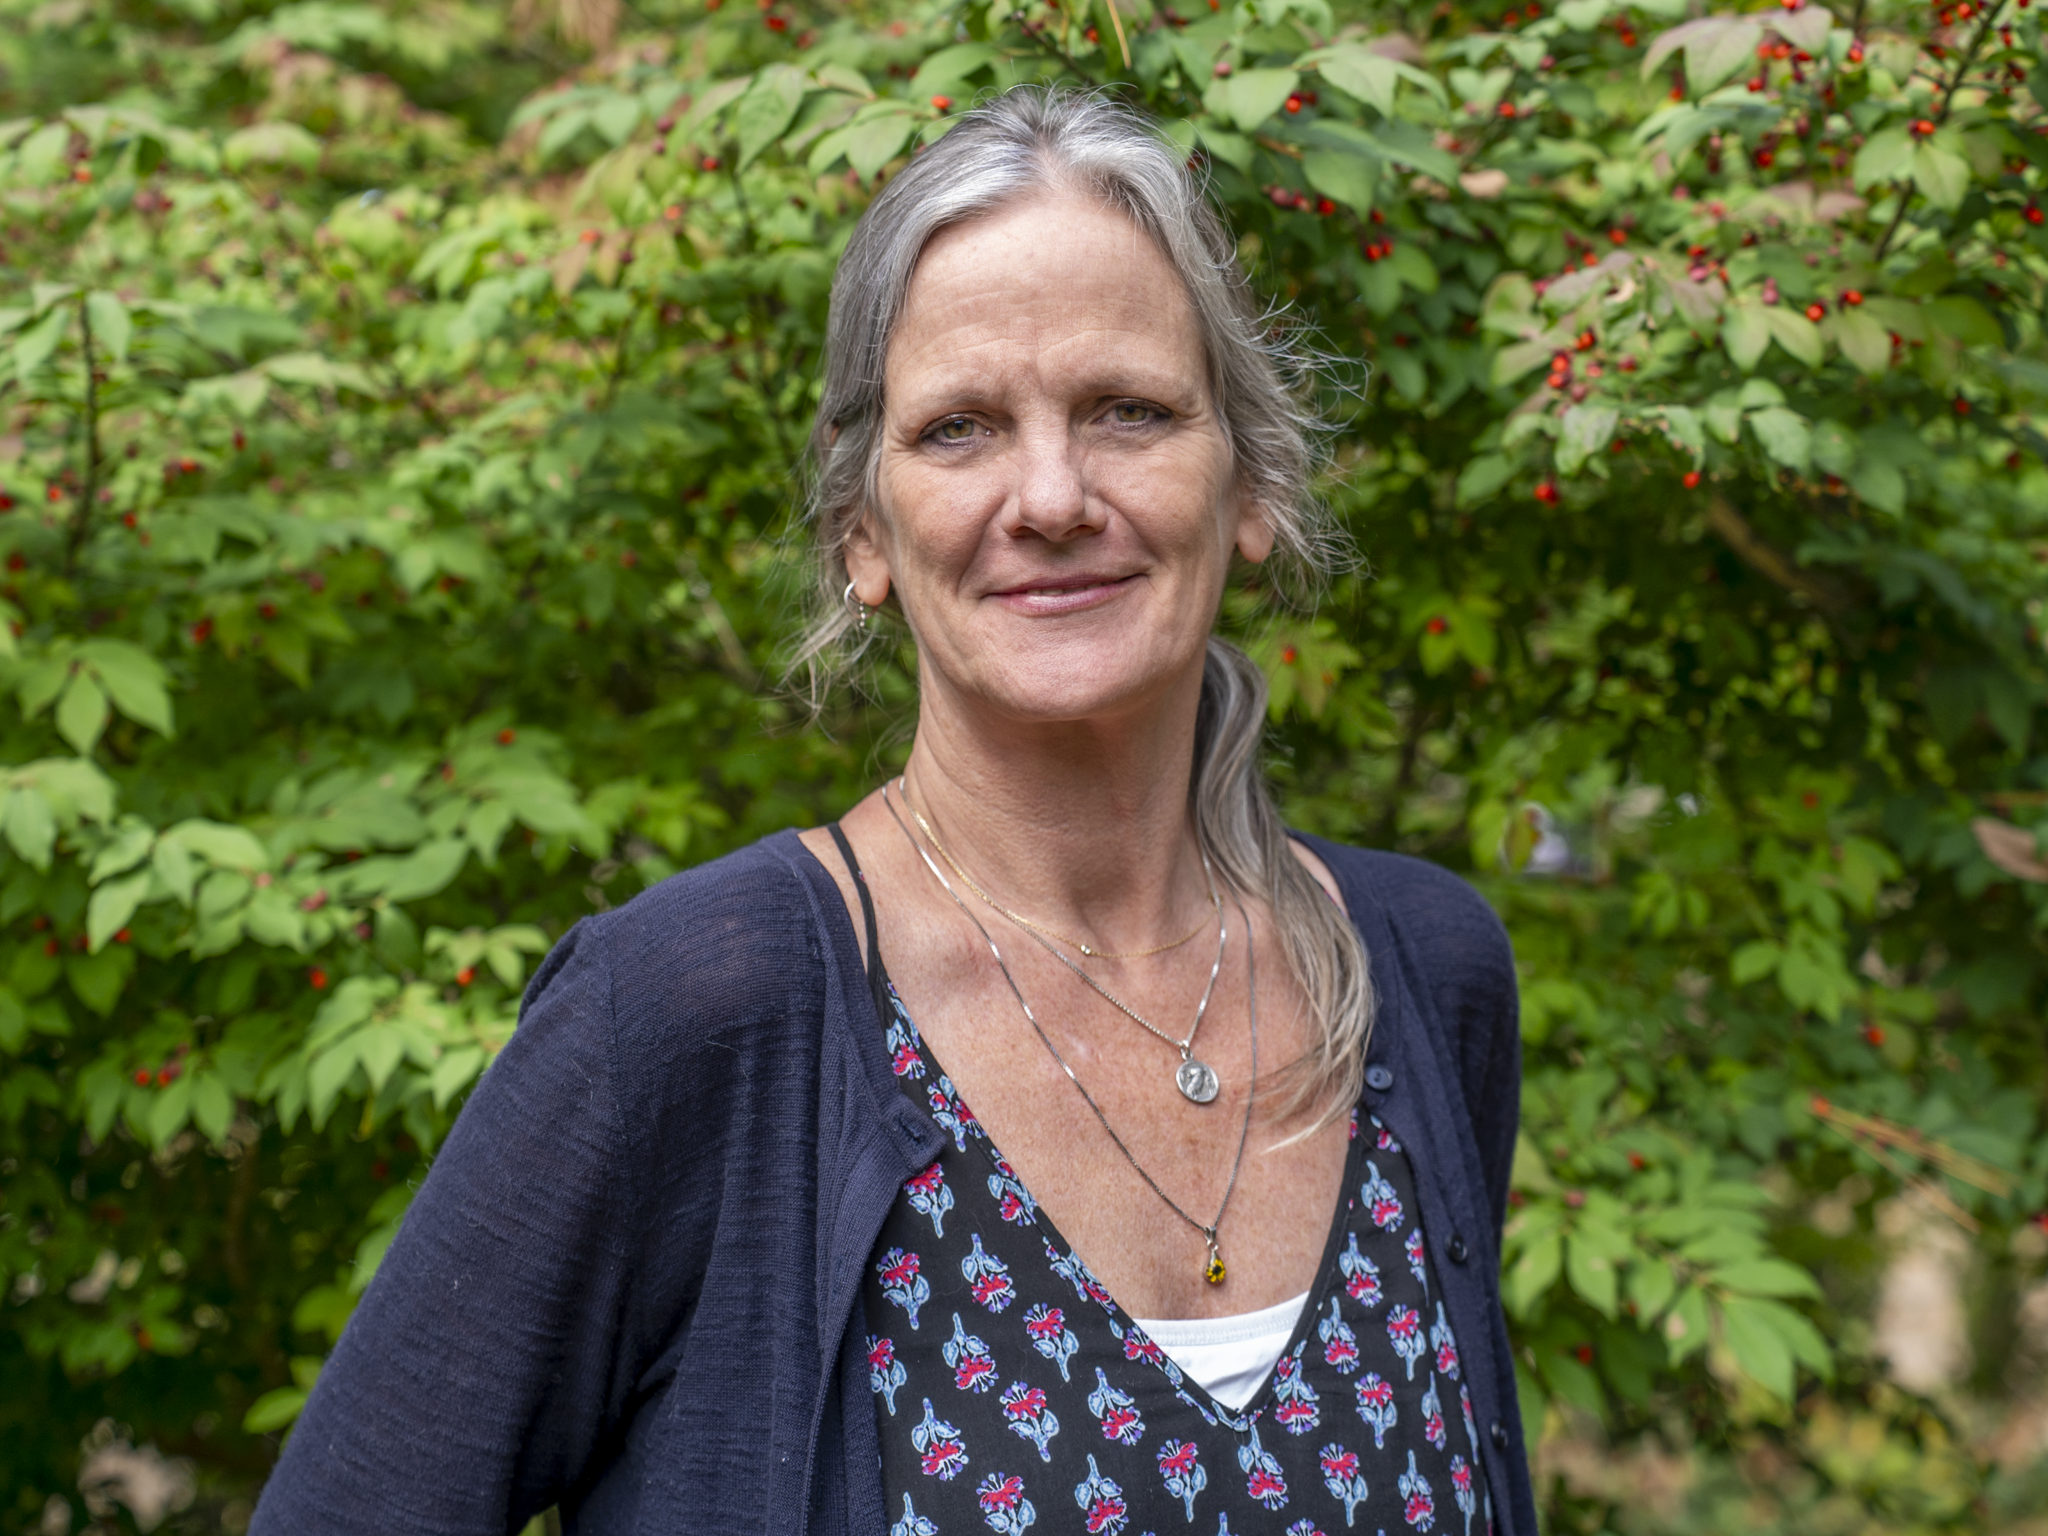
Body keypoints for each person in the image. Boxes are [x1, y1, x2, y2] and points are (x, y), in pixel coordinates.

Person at [251, 86, 1530, 1536]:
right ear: (862, 531)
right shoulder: (685, 1020)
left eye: (1129, 411)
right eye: (960, 429)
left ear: (1248, 478)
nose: (1052, 495)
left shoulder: (1423, 977)